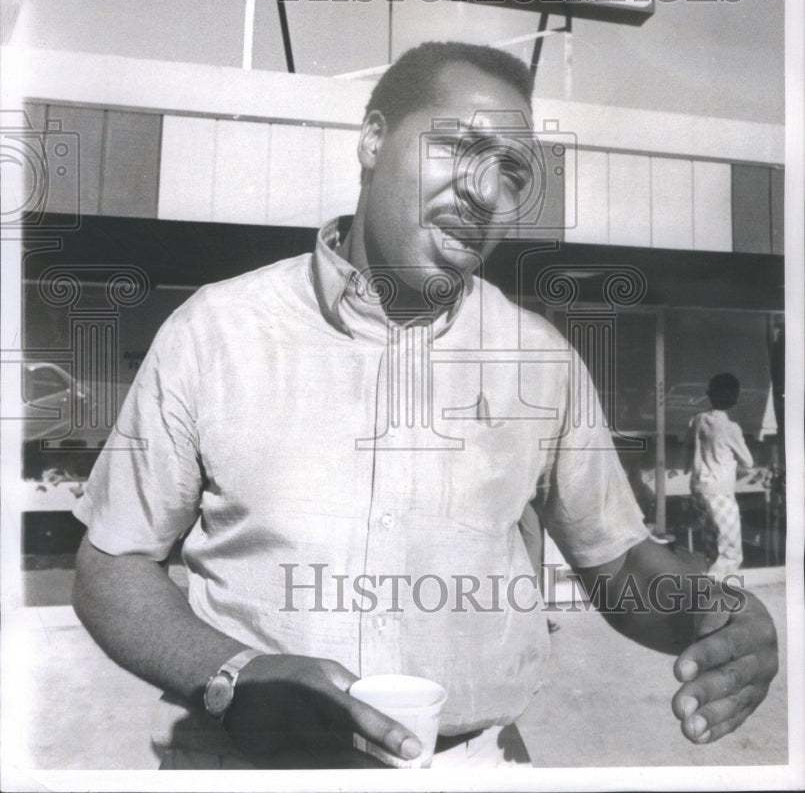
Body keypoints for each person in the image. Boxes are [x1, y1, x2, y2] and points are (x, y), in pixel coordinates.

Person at [72, 42, 778, 770]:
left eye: (510, 172)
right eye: (457, 146)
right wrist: (232, 673)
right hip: (242, 764)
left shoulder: (540, 363)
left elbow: (619, 563)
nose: (484, 191)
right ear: (373, 140)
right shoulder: (214, 332)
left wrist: (708, 606)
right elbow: (111, 564)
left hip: (472, 768)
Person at [685, 373, 756, 579]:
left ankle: (710, 586)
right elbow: (748, 461)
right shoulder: (730, 428)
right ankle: (720, 591)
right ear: (734, 396)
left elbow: (688, 451)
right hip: (720, 490)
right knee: (729, 549)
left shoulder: (696, 420)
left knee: (711, 542)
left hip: (698, 487)